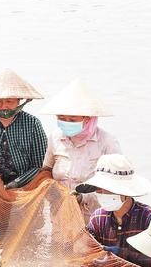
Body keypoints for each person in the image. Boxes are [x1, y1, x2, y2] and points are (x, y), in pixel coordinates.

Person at [40, 78, 120, 215]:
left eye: (72, 120)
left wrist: (83, 197)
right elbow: (46, 170)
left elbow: (116, 184)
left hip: (94, 214)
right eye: (61, 118)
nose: (66, 122)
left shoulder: (107, 142)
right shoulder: (55, 138)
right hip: (60, 211)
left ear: (87, 118)